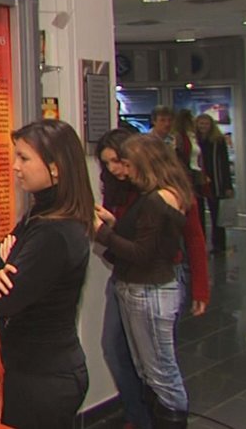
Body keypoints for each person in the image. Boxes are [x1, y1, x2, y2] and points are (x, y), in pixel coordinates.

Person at [0, 119, 94, 429]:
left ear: (55, 169)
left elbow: (5, 301)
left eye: (24, 158)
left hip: (44, 378)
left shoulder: (52, 234)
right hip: (36, 371)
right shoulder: (40, 216)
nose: (15, 167)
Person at [96, 130, 209, 429]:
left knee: (159, 367)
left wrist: (200, 287)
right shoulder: (134, 192)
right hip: (131, 280)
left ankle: (157, 419)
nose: (116, 170)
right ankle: (142, 417)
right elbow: (135, 238)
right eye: (108, 163)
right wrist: (112, 228)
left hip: (153, 282)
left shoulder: (159, 197)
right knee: (135, 359)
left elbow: (180, 241)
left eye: (120, 162)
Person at [194, 114, 231, 251]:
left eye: (206, 124)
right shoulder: (194, 141)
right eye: (201, 123)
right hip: (199, 180)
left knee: (217, 214)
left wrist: (227, 185)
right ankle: (201, 243)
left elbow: (224, 163)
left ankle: (219, 244)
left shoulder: (218, 141)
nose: (203, 126)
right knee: (199, 214)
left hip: (216, 180)